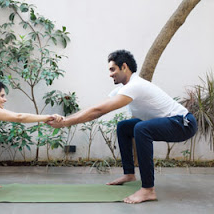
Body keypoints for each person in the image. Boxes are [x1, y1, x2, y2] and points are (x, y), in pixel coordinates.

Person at [47, 50, 197, 204]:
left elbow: (98, 112)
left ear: (124, 67)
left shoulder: (135, 86)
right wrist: (65, 119)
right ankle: (129, 174)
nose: (110, 74)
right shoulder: (123, 89)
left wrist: (65, 123)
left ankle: (148, 190)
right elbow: (96, 107)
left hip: (183, 124)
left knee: (141, 128)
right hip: (172, 122)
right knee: (125, 126)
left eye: (113, 69)